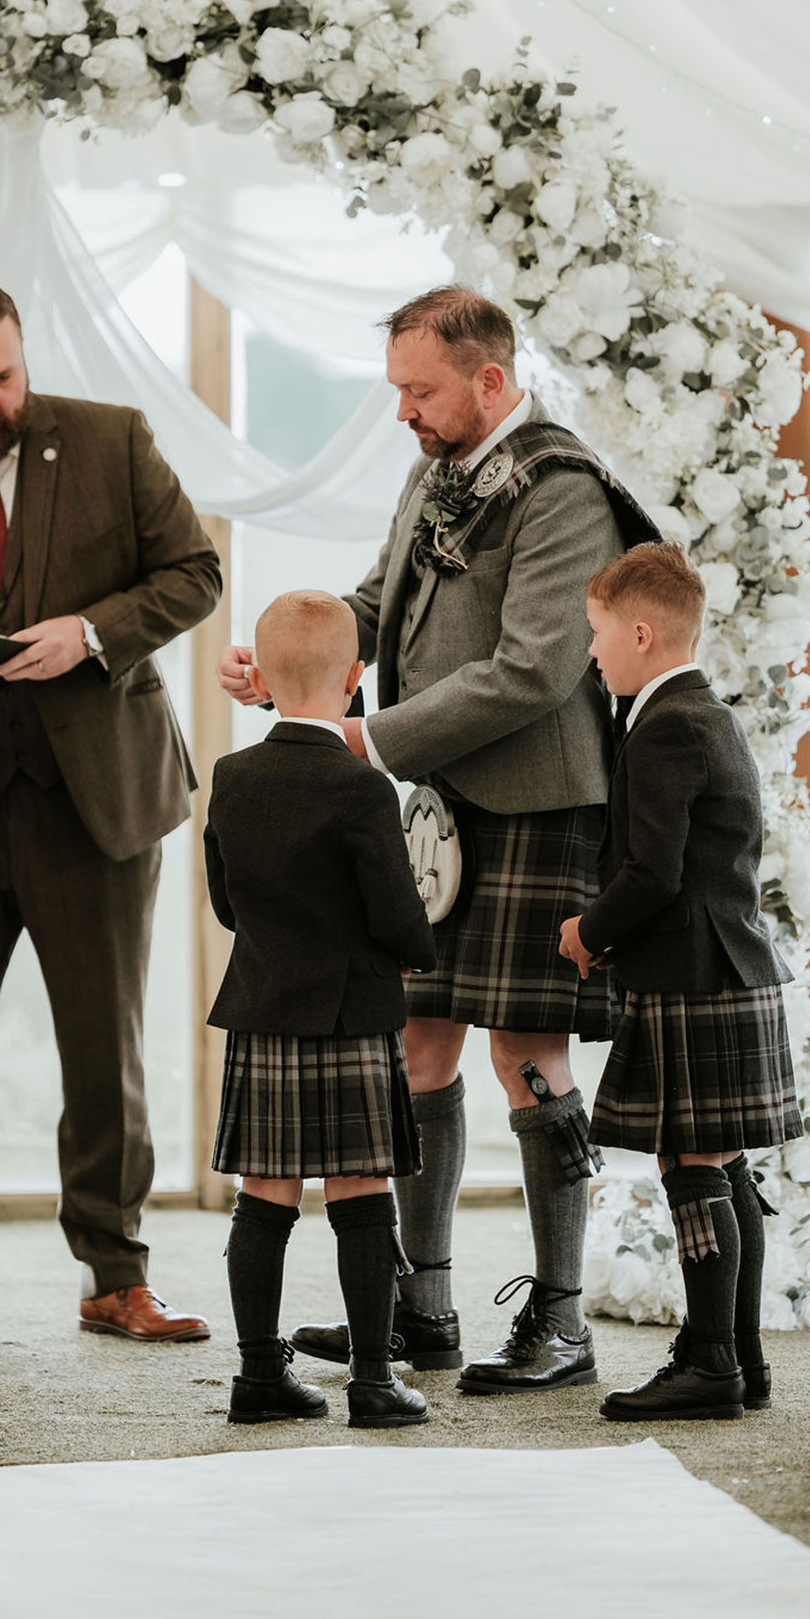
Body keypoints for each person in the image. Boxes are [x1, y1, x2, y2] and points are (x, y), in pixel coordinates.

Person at [218, 285, 658, 1394]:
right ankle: (423, 1308)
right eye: (400, 390)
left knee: (526, 1055)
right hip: (446, 809)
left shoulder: (561, 491)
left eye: (420, 390)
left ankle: (561, 1322)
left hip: (541, 804)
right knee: (416, 1044)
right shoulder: (435, 470)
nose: (404, 410)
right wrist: (290, 663)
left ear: (489, 382)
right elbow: (377, 600)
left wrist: (368, 740)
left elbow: (537, 668)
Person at [0, 273, 222, 1341]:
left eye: (2, 377)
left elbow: (194, 572)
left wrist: (94, 630)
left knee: (102, 1044)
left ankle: (116, 1275)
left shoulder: (113, 438)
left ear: (25, 354)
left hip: (97, 802)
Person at [559, 541, 801, 1421]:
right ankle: (739, 1359)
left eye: (595, 634)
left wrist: (588, 931)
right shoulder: (711, 715)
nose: (591, 652)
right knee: (723, 1163)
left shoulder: (664, 727)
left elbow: (653, 873)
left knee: (691, 1163)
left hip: (693, 977)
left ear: (642, 632)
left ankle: (709, 1364)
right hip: (728, 965)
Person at [205, 591, 436, 1427]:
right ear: (355, 678)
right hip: (351, 1014)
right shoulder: (363, 787)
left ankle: (259, 1375)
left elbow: (226, 903)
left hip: (264, 1009)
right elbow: (395, 912)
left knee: (263, 1196)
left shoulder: (232, 778)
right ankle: (373, 1380)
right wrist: (422, 950)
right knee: (361, 1193)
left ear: (259, 678)